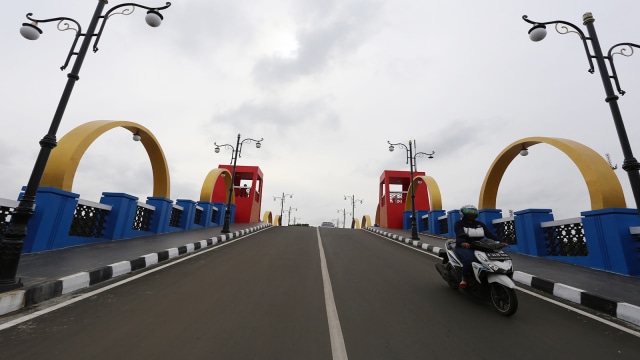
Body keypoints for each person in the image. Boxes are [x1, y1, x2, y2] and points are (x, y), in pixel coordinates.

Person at [454, 205, 508, 289]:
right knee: (470, 260)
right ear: (463, 213)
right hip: (464, 247)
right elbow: (459, 233)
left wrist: (501, 242)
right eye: (469, 212)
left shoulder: (480, 224)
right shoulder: (459, 223)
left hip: (480, 246)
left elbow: (489, 234)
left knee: (491, 257)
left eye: (473, 212)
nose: (471, 214)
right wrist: (463, 242)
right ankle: (464, 279)